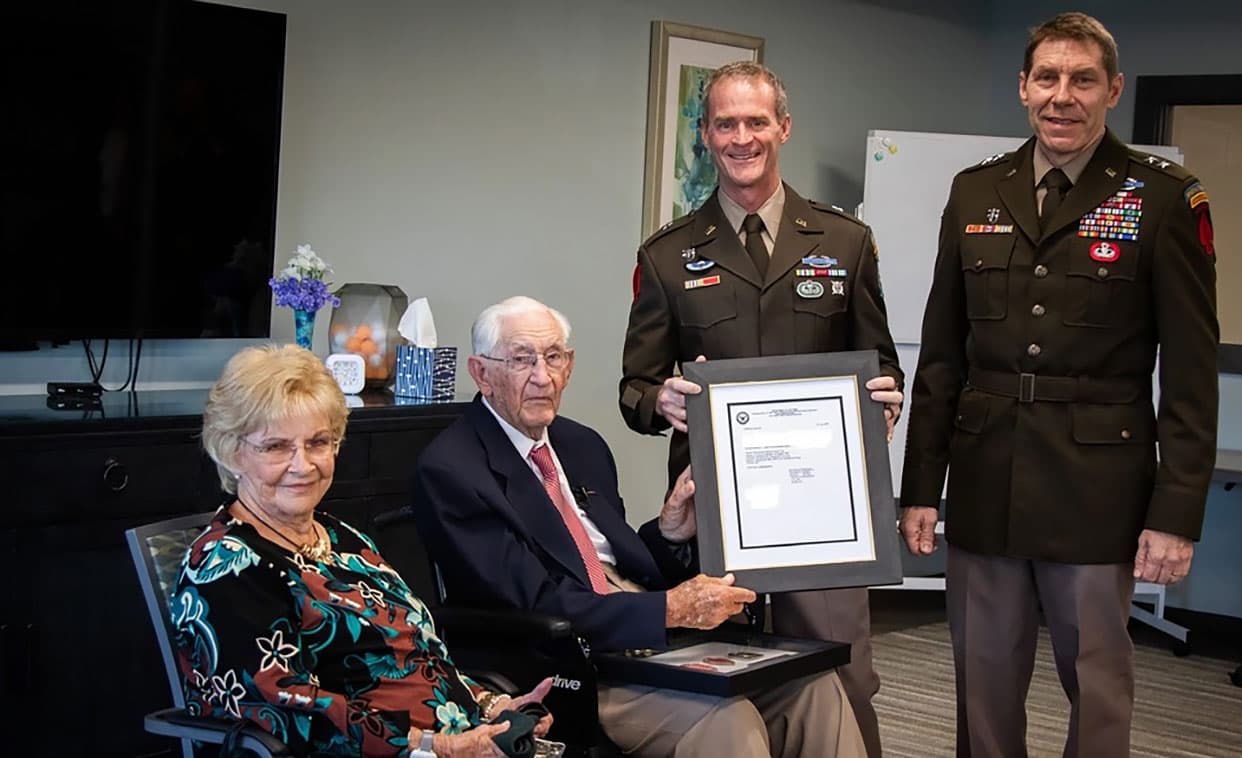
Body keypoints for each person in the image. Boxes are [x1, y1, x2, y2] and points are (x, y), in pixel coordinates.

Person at [899, 12, 1219, 757]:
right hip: (985, 480)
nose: (1062, 96)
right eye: (1047, 78)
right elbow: (943, 355)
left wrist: (1176, 513)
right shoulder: (976, 192)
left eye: (1081, 80)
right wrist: (921, 486)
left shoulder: (1163, 197)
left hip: (1098, 487)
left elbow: (1193, 373)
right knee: (982, 679)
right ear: (1022, 88)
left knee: (1097, 682)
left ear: (1113, 90)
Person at [412, 296, 869, 758]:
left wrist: (669, 532)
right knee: (726, 716)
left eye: (554, 357)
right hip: (566, 666)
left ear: (569, 365)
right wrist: (668, 610)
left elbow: (617, 567)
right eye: (522, 360)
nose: (543, 377)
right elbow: (537, 602)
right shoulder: (454, 469)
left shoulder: (581, 444)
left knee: (813, 686)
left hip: (648, 642)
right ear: (481, 372)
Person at [619, 61, 902, 756]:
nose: (741, 138)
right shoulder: (667, 254)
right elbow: (633, 388)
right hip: (713, 511)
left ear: (783, 127)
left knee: (844, 678)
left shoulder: (844, 243)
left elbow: (882, 362)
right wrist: (661, 398)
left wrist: (884, 402)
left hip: (825, 515)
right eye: (724, 124)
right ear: (707, 136)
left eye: (755, 121)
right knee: (722, 687)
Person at [172, 344, 554, 757]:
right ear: (231, 453)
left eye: (318, 442)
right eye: (276, 447)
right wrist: (441, 747)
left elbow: (413, 652)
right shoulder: (227, 566)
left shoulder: (339, 536)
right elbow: (287, 711)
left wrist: (490, 705)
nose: (303, 465)